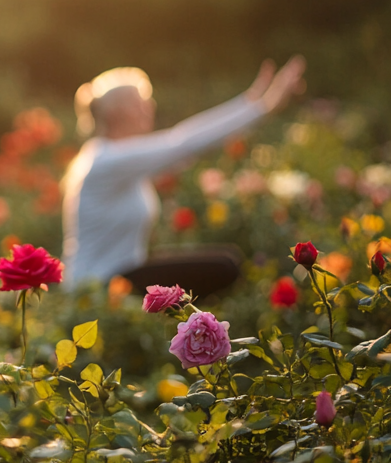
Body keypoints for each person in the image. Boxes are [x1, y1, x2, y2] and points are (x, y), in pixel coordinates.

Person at [61, 57, 306, 294]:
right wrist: (262, 107)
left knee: (224, 262)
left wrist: (250, 100)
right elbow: (183, 143)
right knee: (224, 267)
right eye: (140, 103)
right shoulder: (108, 160)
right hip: (96, 288)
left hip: (120, 276)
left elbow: (184, 145)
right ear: (117, 114)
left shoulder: (116, 157)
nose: (150, 108)